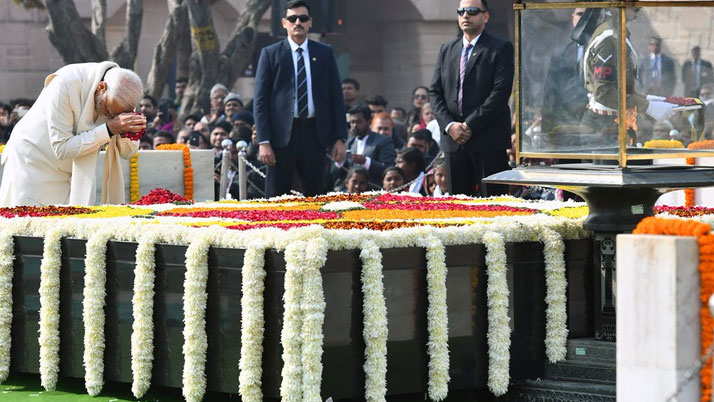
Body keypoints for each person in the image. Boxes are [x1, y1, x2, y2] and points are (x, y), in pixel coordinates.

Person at [0, 62, 146, 206]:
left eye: (115, 114)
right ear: (101, 87)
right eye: (107, 110)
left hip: (71, 171)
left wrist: (130, 131)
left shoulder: (122, 93)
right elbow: (62, 148)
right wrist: (109, 129)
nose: (110, 116)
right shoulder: (64, 83)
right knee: (29, 223)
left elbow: (127, 152)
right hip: (33, 161)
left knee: (68, 224)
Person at [253, 0, 347, 197]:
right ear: (284, 22)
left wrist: (340, 138)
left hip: (315, 134)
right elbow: (260, 101)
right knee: (277, 197)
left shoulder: (324, 53)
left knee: (315, 196)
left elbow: (336, 97)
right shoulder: (270, 54)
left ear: (310, 22)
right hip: (281, 137)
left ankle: (314, 228)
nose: (298, 23)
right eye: (292, 18)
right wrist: (264, 141)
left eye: (303, 19)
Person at [430, 0, 514, 197]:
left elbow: (500, 93)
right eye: (461, 11)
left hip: (488, 140)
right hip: (454, 142)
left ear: (485, 16)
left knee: (493, 204)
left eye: (472, 11)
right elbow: (434, 92)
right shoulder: (447, 49)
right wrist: (450, 125)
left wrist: (469, 126)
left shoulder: (500, 48)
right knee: (459, 206)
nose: (465, 16)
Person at [540, 8, 589, 145]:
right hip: (566, 130)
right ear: (572, 17)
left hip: (595, 131)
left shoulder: (603, 49)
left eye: (587, 15)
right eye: (579, 14)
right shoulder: (560, 54)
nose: (583, 18)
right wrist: (546, 134)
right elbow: (550, 95)